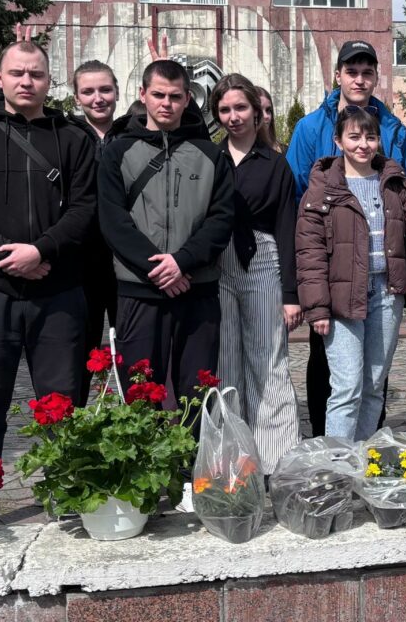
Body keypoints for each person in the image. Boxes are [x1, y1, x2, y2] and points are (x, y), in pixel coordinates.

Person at [0, 41, 96, 526]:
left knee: (61, 401)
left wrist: (41, 250)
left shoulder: (73, 139)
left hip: (59, 291)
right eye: (17, 73)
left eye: (36, 74)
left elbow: (85, 209)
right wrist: (8, 256)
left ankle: (65, 488)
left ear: (49, 81)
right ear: (0, 78)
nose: (26, 81)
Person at [287, 40, 406, 436]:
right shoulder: (311, 127)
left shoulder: (393, 129)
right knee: (331, 369)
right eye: (352, 72)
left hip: (382, 276)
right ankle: (327, 441)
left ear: (375, 77)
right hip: (335, 274)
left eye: (367, 73)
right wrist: (310, 285)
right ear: (338, 76)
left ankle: (366, 445)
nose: (359, 79)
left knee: (373, 380)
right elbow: (298, 197)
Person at [98, 59, 235, 414]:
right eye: (158, 95)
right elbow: (113, 221)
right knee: (141, 394)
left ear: (188, 98)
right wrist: (158, 269)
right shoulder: (117, 153)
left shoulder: (211, 156)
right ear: (142, 94)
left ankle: (193, 453)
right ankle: (145, 454)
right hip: (140, 290)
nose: (167, 104)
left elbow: (221, 219)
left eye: (175, 96)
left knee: (196, 394)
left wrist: (182, 263)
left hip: (196, 288)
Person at [209, 73, 301, 474]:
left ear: (257, 112)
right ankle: (231, 460)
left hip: (263, 257)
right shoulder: (210, 158)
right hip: (218, 261)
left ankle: (275, 462)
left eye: (240, 108)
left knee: (268, 361)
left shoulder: (275, 164)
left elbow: (287, 227)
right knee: (226, 363)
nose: (233, 117)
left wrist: (291, 294)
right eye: (225, 109)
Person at [68, 60, 121, 397]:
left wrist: (161, 69)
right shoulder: (65, 134)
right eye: (88, 91)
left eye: (105, 90)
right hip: (80, 265)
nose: (98, 98)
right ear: (76, 97)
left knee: (131, 355)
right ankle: (73, 423)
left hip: (125, 262)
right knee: (76, 357)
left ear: (117, 91)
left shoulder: (131, 132)